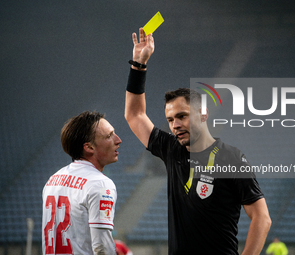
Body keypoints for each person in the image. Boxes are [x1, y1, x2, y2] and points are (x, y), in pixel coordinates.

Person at [125, 28, 271, 255]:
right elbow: (134, 115)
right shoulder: (172, 149)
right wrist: (138, 64)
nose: (175, 125)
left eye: (182, 116)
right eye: (170, 119)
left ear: (203, 114)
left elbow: (261, 218)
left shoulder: (231, 157)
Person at [42, 111, 121, 255]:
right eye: (109, 136)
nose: (118, 140)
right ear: (89, 147)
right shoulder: (100, 184)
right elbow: (102, 247)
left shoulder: (52, 180)